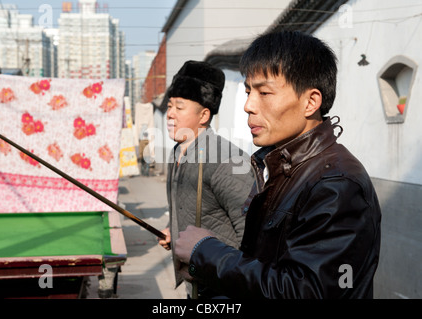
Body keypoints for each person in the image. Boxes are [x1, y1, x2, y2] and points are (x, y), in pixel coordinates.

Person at [174, 31, 382, 299]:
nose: (248, 105)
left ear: (310, 102)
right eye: (248, 91)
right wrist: (210, 272)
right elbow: (268, 268)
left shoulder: (337, 184)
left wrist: (206, 252)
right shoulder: (281, 166)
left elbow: (306, 291)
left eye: (264, 92)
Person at [157, 60, 255, 299]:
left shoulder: (228, 160)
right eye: (170, 106)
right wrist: (175, 229)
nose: (170, 114)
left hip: (224, 287)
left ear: (203, 115)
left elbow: (251, 234)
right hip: (196, 283)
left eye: (179, 108)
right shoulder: (177, 152)